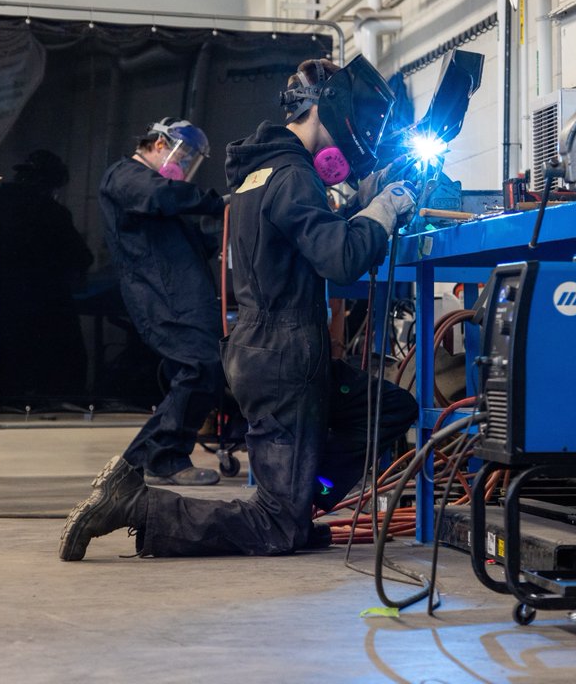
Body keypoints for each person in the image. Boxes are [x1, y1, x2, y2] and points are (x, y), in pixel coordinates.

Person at [59, 55, 419, 560]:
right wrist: (381, 212)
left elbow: (303, 233)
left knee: (390, 408)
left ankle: (302, 501)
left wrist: (356, 204)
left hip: (272, 350)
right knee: (275, 528)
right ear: (326, 109)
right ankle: (140, 506)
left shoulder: (262, 172)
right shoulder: (292, 175)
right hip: (283, 359)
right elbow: (340, 259)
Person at [99, 117, 225, 486]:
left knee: (200, 371)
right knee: (201, 367)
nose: (184, 166)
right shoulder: (126, 177)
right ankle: (151, 458)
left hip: (181, 294)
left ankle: (158, 456)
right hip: (160, 297)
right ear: (158, 145)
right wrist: (216, 203)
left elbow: (194, 240)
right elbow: (158, 196)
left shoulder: (162, 190)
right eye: (182, 156)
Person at [0, 149, 94, 403]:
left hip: (0, 302)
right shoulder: (52, 212)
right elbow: (81, 257)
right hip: (47, 302)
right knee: (64, 365)